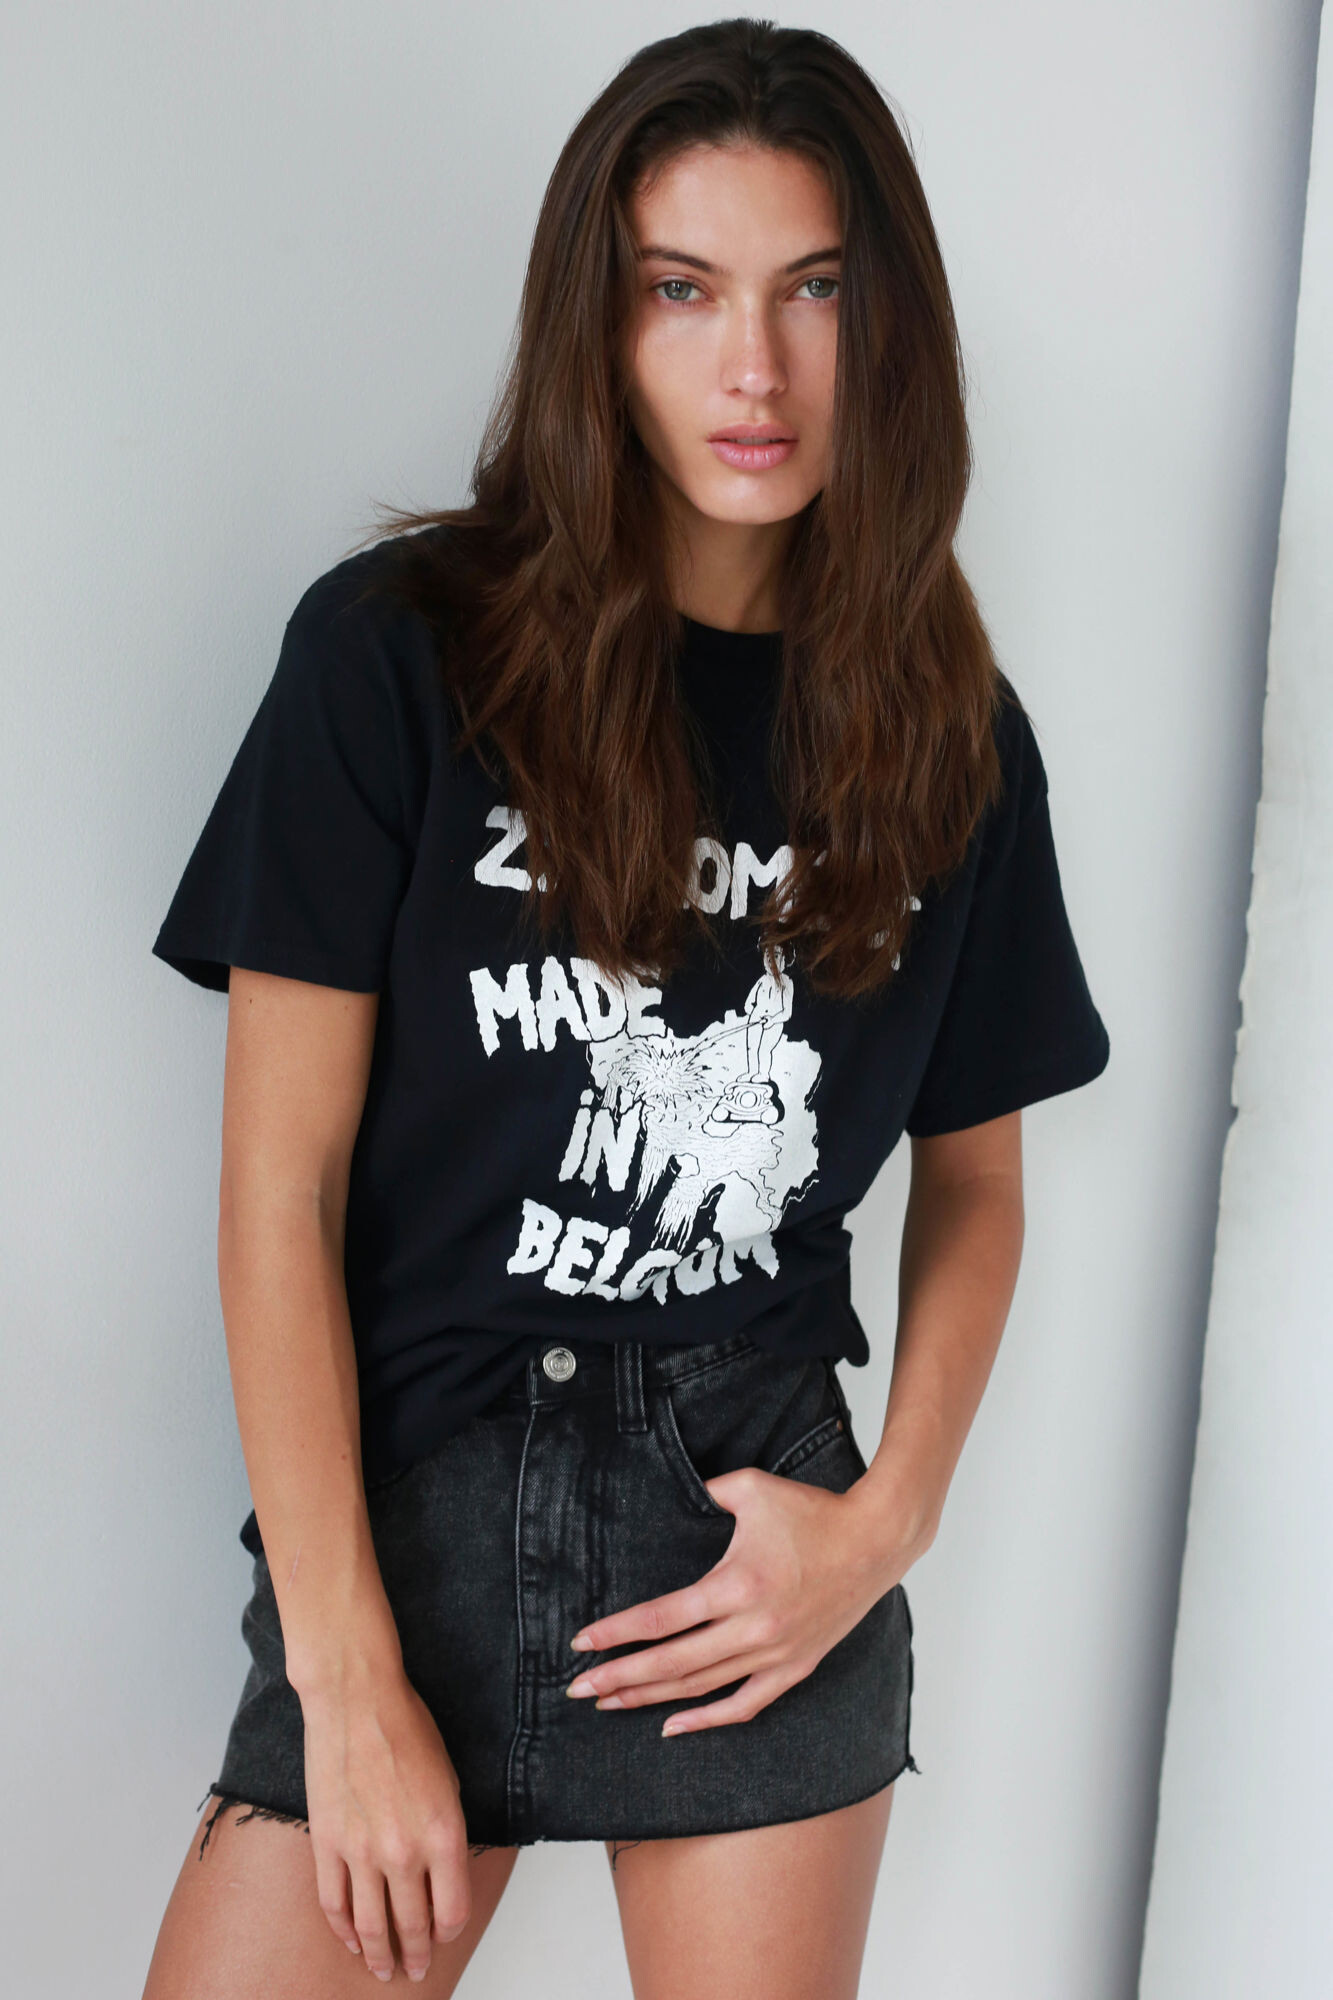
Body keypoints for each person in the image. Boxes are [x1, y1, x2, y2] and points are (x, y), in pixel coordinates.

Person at [142, 18, 1110, 1998]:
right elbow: (275, 1192)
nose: (754, 368)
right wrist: (344, 1672)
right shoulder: (396, 662)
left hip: (748, 1533)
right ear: (598, 318)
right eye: (683, 290)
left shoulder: (949, 736)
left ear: (887, 325)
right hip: (410, 1516)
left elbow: (979, 1184)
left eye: (811, 289)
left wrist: (883, 1525)